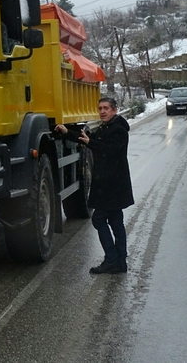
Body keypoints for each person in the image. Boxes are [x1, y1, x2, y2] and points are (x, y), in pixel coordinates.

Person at [54, 97, 134, 274]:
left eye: (106, 108)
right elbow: (88, 139)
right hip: (112, 184)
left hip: (112, 184)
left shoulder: (118, 129)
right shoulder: (107, 127)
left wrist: (91, 143)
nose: (102, 111)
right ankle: (120, 260)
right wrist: (68, 132)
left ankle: (112, 259)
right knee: (115, 220)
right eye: (100, 108)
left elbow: (111, 150)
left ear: (114, 110)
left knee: (99, 219)